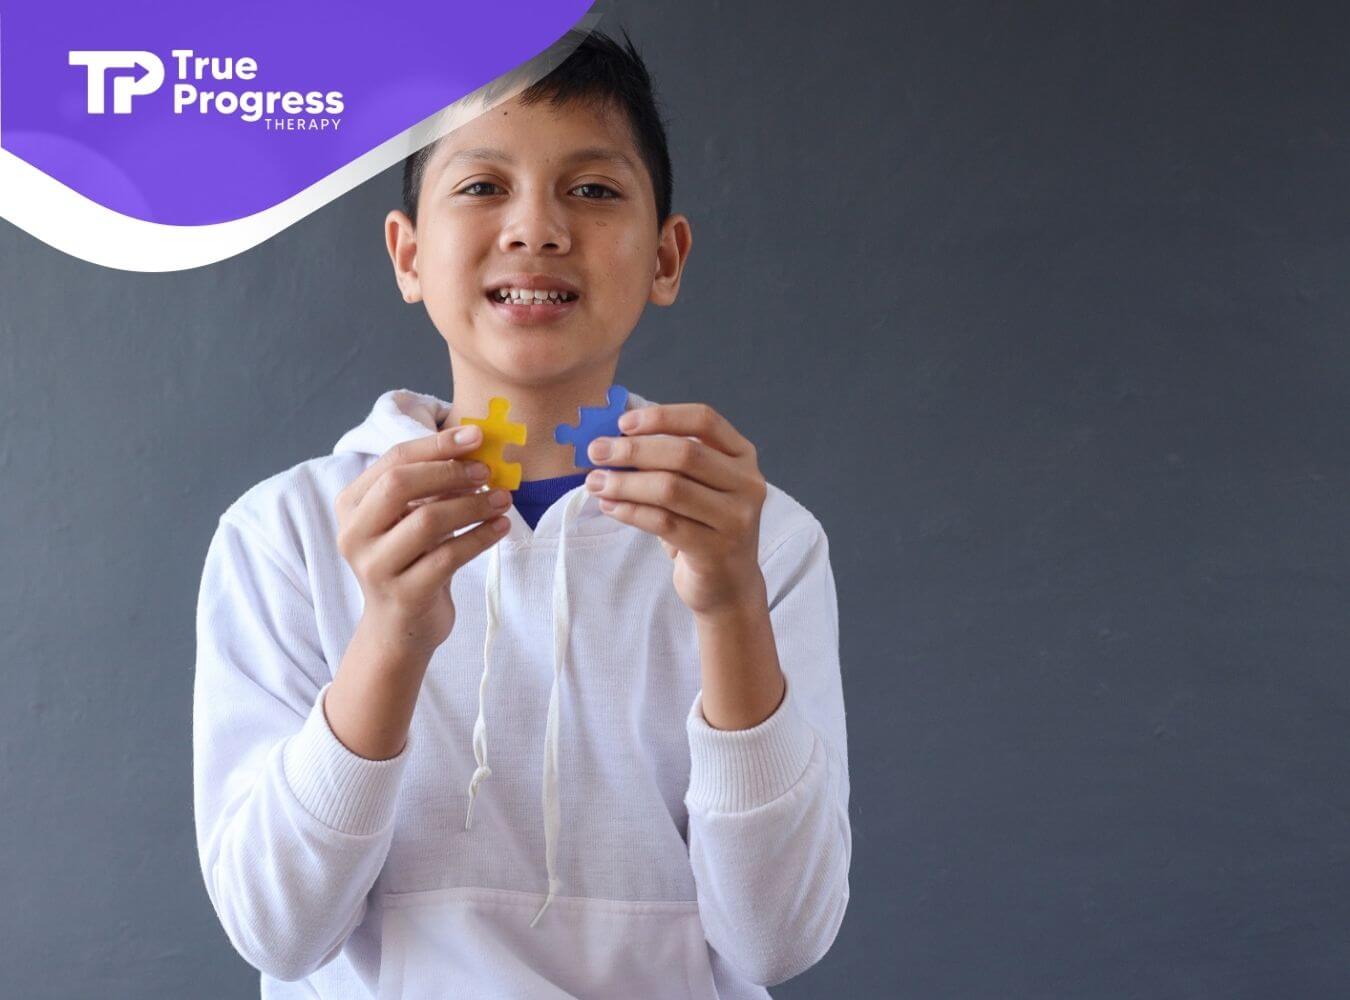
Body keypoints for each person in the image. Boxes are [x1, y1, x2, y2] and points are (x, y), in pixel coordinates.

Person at [193, 25, 851, 999]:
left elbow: (779, 941)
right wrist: (392, 635)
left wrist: (728, 608)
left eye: (592, 190)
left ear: (667, 257)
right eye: (481, 186)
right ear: (408, 254)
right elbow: (277, 932)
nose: (536, 227)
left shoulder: (761, 542)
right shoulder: (285, 534)